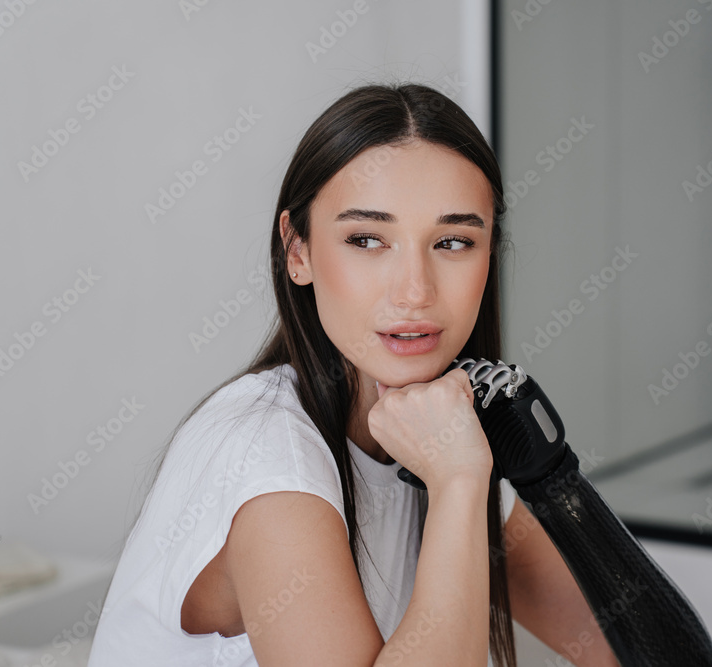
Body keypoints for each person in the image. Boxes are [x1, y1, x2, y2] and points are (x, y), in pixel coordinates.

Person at [87, 82, 619, 667]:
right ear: (298, 250)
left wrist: (549, 476)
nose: (415, 291)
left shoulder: (435, 432)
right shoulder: (272, 461)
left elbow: (633, 646)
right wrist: (461, 480)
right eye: (367, 240)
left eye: (452, 241)